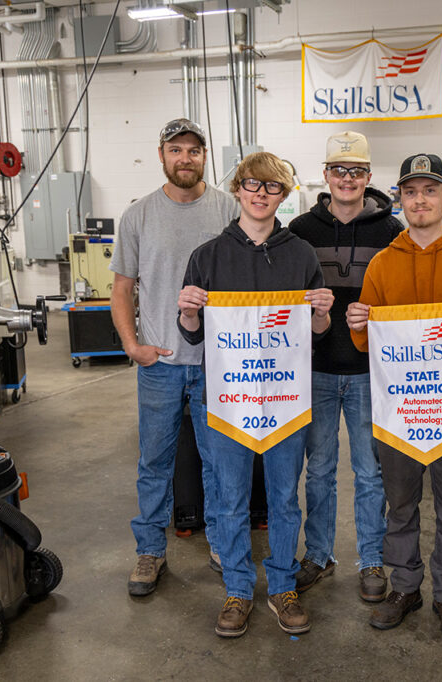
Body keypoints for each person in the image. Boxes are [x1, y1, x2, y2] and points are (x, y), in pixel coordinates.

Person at [176, 151, 335, 638]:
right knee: (229, 499)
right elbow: (193, 336)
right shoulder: (207, 255)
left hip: (286, 398)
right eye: (252, 184)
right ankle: (239, 590)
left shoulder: (301, 254)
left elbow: (316, 332)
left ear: (283, 196)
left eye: (272, 188)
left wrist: (324, 311)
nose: (261, 195)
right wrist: (187, 312)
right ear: (238, 188)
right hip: (227, 400)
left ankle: (282, 587)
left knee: (285, 497)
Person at [347, 153, 442, 641]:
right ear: (401, 197)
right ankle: (405, 587)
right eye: (411, 191)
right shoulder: (382, 262)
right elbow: (366, 343)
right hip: (398, 411)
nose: (420, 200)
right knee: (401, 506)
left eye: (429, 190)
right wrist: (358, 326)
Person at [109, 118, 238, 597]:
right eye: (176, 149)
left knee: (219, 461)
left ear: (205, 156)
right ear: (161, 154)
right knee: (155, 461)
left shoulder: (229, 209)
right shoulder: (138, 216)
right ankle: (150, 552)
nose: (186, 157)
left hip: (219, 364)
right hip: (160, 362)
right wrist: (132, 345)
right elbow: (122, 287)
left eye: (194, 150)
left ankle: (224, 544)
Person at [287, 131, 404, 602]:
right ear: (326, 175)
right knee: (318, 471)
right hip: (313, 371)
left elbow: (406, 298)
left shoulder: (391, 233)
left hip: (368, 374)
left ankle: (372, 560)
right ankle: (318, 554)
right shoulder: (299, 231)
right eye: (339, 170)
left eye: (357, 171)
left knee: (370, 472)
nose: (348, 179)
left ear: (369, 178)